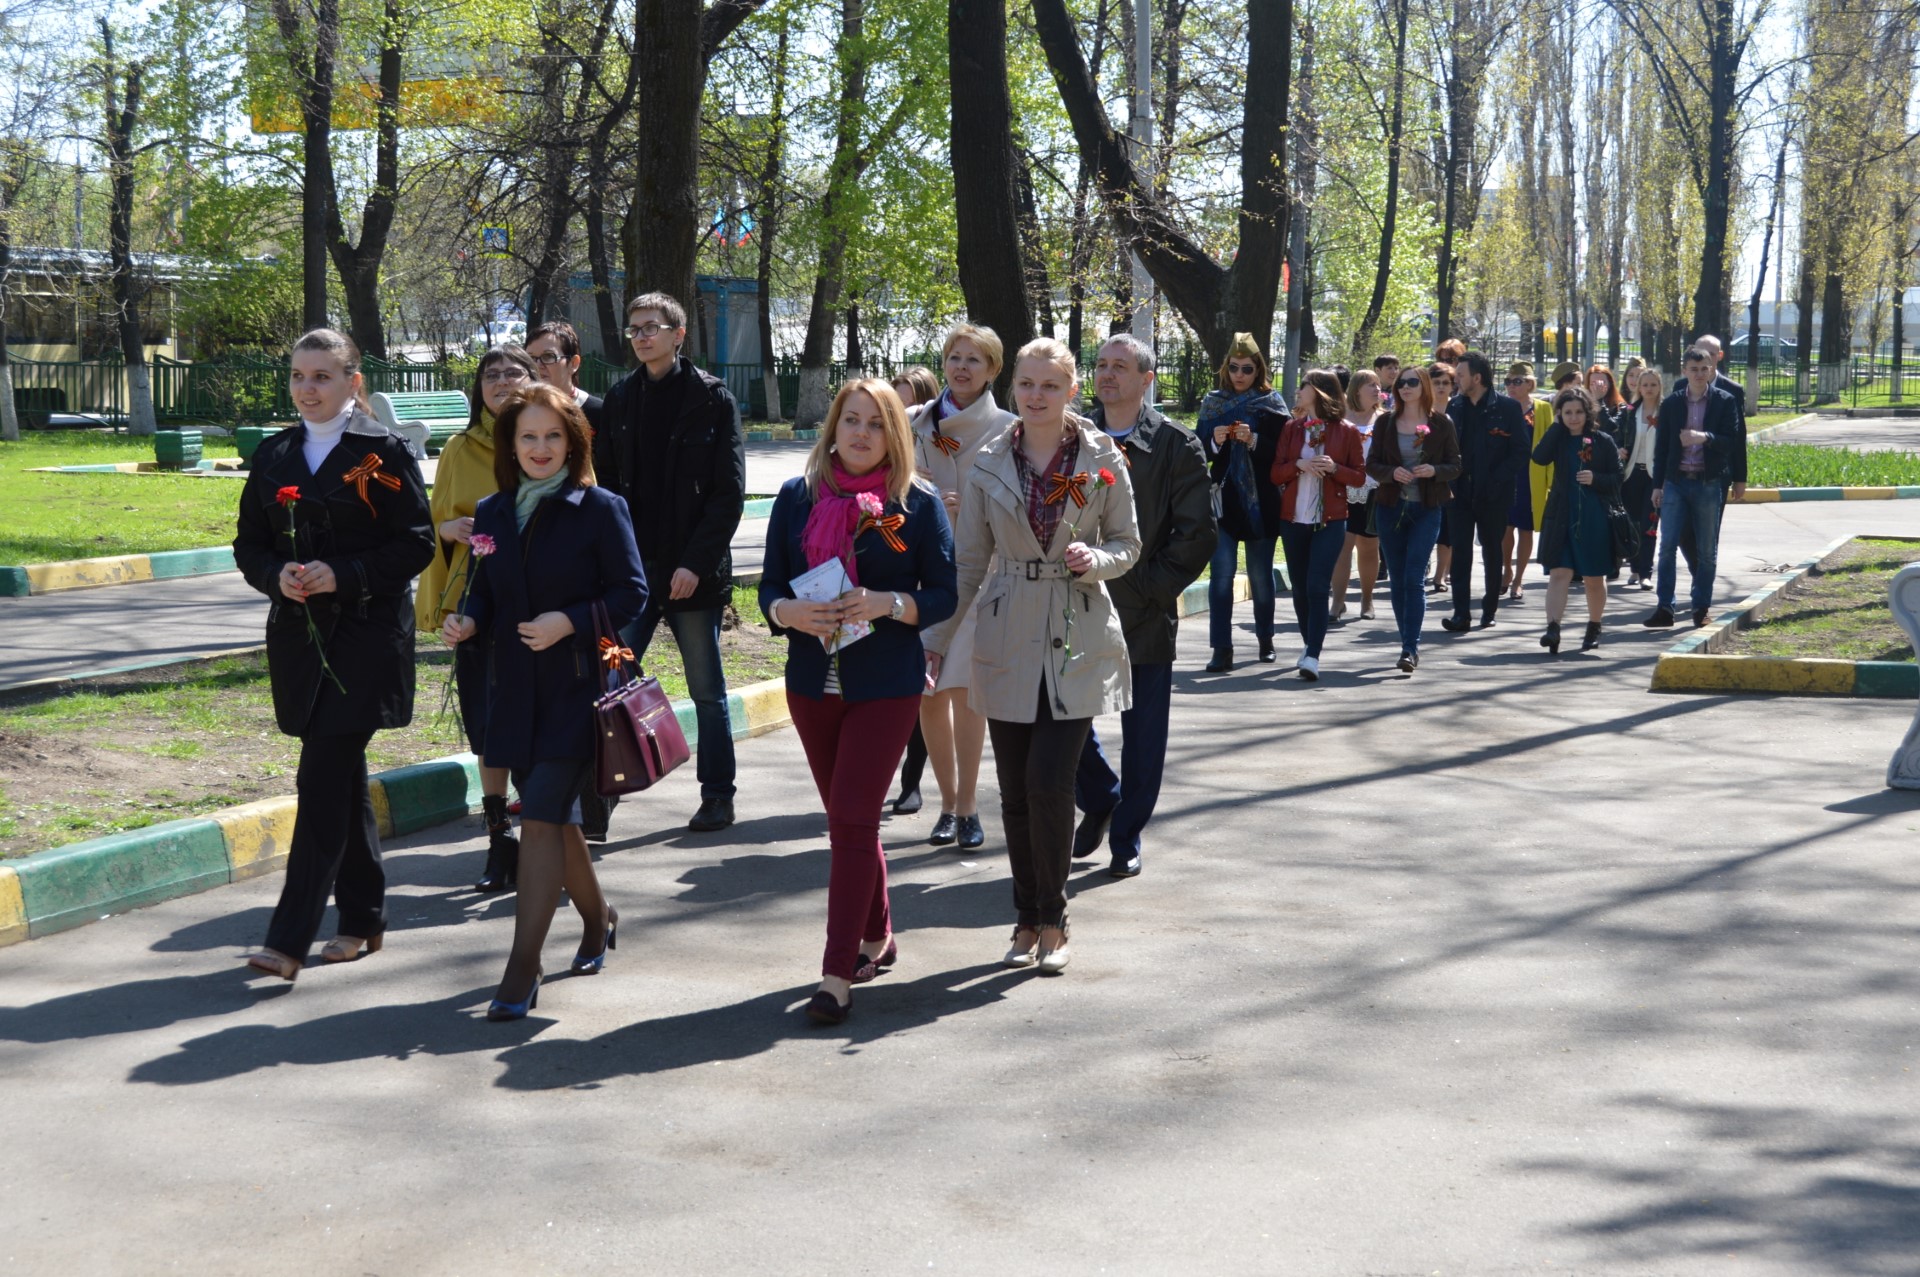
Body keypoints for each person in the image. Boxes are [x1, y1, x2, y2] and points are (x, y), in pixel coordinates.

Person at [932, 337, 1140, 975]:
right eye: (1027, 383)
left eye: (1050, 385)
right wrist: (939, 642)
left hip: (1077, 630)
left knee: (1052, 784)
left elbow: (1128, 543)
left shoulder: (1104, 457)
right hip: (1005, 631)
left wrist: (1095, 561)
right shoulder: (990, 458)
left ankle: (1054, 918)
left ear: (1071, 390)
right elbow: (969, 562)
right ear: (1013, 387)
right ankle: (1025, 919)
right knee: (1017, 793)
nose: (1037, 395)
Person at [442, 384, 646, 1021]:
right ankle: (598, 919)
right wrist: (469, 620)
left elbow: (631, 594)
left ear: (574, 442)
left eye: (552, 436)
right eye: (527, 437)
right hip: (515, 691)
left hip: (580, 690)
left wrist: (570, 621)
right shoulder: (494, 512)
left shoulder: (600, 507)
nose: (539, 448)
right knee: (556, 821)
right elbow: (484, 587)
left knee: (540, 816)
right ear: (511, 444)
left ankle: (521, 967)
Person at [237, 329, 435, 982]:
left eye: (322, 375)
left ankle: (286, 939)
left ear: (354, 382)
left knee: (319, 778)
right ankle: (363, 917)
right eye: (297, 375)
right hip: (299, 640)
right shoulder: (272, 455)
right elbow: (250, 545)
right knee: (341, 780)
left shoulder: (385, 450)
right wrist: (279, 577)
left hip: (365, 637)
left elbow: (416, 544)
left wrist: (341, 574)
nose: (307, 388)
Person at [760, 379, 957, 1025]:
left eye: (876, 422)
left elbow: (945, 592)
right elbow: (767, 589)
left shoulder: (917, 504)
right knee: (853, 821)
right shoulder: (796, 497)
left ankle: (837, 970)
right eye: (851, 420)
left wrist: (889, 604)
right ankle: (880, 934)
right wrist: (788, 612)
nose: (862, 433)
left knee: (849, 818)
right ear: (833, 427)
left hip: (887, 684)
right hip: (812, 685)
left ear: (894, 433)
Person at [594, 291, 746, 832]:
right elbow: (606, 489)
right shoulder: (621, 399)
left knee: (706, 690)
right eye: (634, 328)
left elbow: (728, 494)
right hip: (635, 575)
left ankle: (717, 795)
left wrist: (695, 565)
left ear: (678, 335)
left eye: (652, 327)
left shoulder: (712, 399)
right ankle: (604, 795)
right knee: (609, 682)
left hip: (691, 576)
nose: (641, 336)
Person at [1071, 335, 1213, 880]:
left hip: (1144, 607)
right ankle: (1103, 795)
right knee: (1065, 714)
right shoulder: (1073, 435)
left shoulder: (1176, 444)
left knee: (1144, 729)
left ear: (1146, 378)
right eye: (1102, 365)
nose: (1108, 375)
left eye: (1121, 367)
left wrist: (1148, 588)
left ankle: (1127, 834)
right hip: (1073, 602)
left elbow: (1196, 533)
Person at [416, 345, 534, 886]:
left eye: (514, 372)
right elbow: (434, 518)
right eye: (492, 374)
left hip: (538, 605)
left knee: (536, 726)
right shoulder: (460, 448)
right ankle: (498, 841)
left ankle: (546, 838)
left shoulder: (552, 437)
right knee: (487, 726)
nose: (502, 381)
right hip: (475, 600)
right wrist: (448, 531)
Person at [911, 325, 1018, 851]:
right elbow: (883, 484)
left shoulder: (1009, 429)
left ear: (993, 369)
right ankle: (947, 804)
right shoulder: (914, 422)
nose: (961, 367)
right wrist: (923, 499)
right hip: (921, 573)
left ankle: (970, 805)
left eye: (974, 360)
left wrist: (973, 507)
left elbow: (1022, 503)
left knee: (964, 689)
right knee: (929, 691)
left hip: (983, 573)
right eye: (954, 357)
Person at [1269, 369, 1367, 680]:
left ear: (1321, 391)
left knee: (1315, 585)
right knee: (1299, 587)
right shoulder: (1291, 428)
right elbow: (1276, 473)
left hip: (1331, 519)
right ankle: (1308, 643)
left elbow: (1359, 476)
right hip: (1294, 519)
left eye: (1304, 386)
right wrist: (1298, 464)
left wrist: (1335, 467)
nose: (1298, 391)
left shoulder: (1346, 430)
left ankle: (1313, 654)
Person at [1197, 333, 1286, 670]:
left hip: (1261, 502)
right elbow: (1198, 452)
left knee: (1261, 576)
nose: (1239, 374)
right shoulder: (1213, 402)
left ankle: (1266, 639)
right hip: (1222, 501)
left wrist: (1254, 440)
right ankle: (1221, 648)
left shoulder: (1271, 402)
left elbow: (1282, 452)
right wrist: (1215, 442)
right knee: (1221, 576)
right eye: (1233, 367)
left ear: (1258, 369)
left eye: (1246, 369)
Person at [1368, 365, 1461, 672]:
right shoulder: (1386, 423)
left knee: (1413, 577)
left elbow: (1455, 465)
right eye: (1400, 383)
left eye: (1411, 382)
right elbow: (1372, 465)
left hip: (1427, 508)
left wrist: (1434, 471)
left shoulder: (1441, 423)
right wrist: (1391, 472)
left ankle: (1410, 648)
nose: (1405, 387)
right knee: (1397, 578)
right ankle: (1406, 641)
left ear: (1423, 387)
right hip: (1391, 506)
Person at [1648, 347, 1743, 628]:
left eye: (1704, 369)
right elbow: (1663, 448)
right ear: (1684, 370)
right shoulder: (1673, 404)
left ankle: (1701, 607)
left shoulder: (1725, 401)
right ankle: (1665, 607)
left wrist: (1705, 437)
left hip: (1708, 483)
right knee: (1666, 547)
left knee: (1706, 550)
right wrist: (1657, 485)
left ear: (1712, 369)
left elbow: (1731, 440)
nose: (1700, 374)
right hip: (1676, 482)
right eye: (1694, 369)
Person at [884, 363, 943, 817]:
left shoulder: (939, 438)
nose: (898, 414)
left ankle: (914, 781)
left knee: (928, 692)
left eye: (907, 402)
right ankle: (899, 777)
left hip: (934, 578)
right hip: (893, 582)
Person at [1440, 351, 1531, 633]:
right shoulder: (1454, 407)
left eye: (1461, 375)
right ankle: (1461, 614)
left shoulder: (1507, 408)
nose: (1457, 380)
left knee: (1492, 551)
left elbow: (1519, 451)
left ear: (1477, 378)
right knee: (1461, 553)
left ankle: (1489, 609)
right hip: (1460, 494)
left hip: (1494, 495)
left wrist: (1497, 481)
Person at [1533, 385, 1622, 653]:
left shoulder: (1602, 440)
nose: (1574, 417)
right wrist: (1556, 427)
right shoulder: (1558, 438)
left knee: (1594, 577)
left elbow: (1618, 478)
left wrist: (1596, 479)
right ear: (1560, 413)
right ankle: (1553, 628)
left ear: (1588, 413)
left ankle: (1594, 626)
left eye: (1578, 412)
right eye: (1567, 412)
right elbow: (1538, 458)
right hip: (1562, 513)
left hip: (1594, 516)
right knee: (1559, 573)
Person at [1329, 369, 1384, 623]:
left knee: (1369, 547)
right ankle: (1338, 602)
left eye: (1378, 385)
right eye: (1370, 384)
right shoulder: (1341, 418)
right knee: (1342, 547)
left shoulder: (1385, 419)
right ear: (1356, 389)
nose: (1376, 389)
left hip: (1374, 490)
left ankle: (1366, 599)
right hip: (1345, 489)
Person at [1498, 361, 1546, 606]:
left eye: (1517, 381)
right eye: (1508, 382)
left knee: (1526, 528)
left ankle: (1518, 579)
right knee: (1505, 528)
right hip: (1507, 475)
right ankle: (1506, 569)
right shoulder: (1502, 407)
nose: (1511, 387)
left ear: (1529, 383)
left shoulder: (1542, 409)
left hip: (1531, 477)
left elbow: (1549, 444)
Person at [1616, 366, 1664, 589]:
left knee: (1649, 525)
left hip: (1655, 477)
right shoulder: (1629, 412)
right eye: (1645, 385)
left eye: (1653, 384)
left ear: (1659, 386)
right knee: (1631, 524)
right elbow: (1615, 438)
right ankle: (1635, 568)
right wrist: (1619, 450)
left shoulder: (1666, 412)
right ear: (1639, 387)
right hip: (1631, 474)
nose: (1649, 389)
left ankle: (1646, 573)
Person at [527, 320, 605, 434]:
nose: (538, 365)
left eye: (548, 356)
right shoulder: (520, 410)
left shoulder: (599, 412)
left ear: (573, 363)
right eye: (531, 358)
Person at [1425, 361, 1458, 594]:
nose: (1441, 387)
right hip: (1424, 476)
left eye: (1445, 383)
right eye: (1436, 382)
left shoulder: (1458, 410)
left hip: (1451, 475)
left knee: (1448, 530)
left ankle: (1440, 576)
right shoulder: (1421, 410)